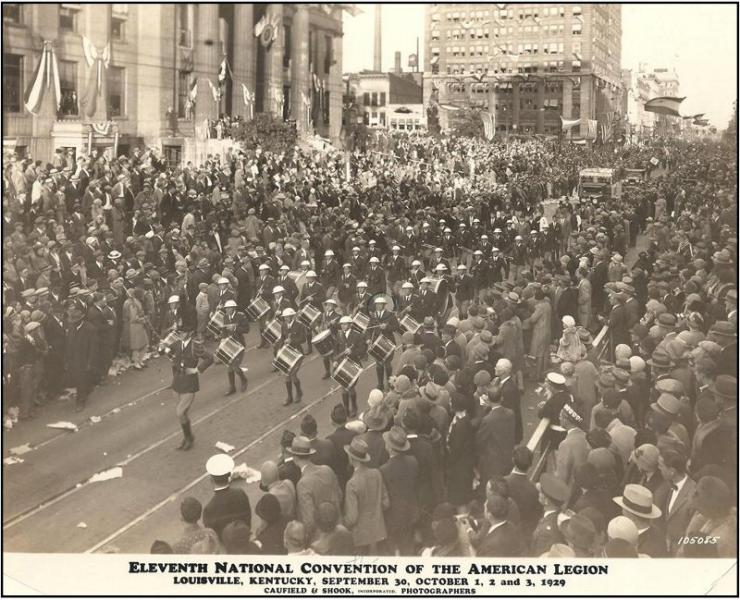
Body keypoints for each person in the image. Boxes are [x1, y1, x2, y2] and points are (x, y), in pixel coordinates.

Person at [167, 322, 212, 450]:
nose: (181, 334)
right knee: (183, 414)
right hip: (177, 383)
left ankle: (189, 437)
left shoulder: (195, 347)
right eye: (180, 332)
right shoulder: (176, 344)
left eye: (184, 332)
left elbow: (210, 358)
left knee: (180, 412)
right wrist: (162, 348)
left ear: (190, 333)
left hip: (189, 384)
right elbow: (166, 352)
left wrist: (197, 370)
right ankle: (188, 437)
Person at [290, 435, 342, 540]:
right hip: (338, 527)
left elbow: (309, 520)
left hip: (321, 537)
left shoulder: (303, 484)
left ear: (295, 458)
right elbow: (339, 495)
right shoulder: (327, 469)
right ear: (309, 455)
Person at [343, 438, 390, 554]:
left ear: (351, 458)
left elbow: (352, 517)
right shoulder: (377, 473)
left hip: (361, 537)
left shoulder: (352, 483)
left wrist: (343, 523)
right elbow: (386, 503)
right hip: (379, 532)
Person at [202, 454, 252, 543]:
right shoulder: (240, 493)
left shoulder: (209, 509)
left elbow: (212, 538)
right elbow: (247, 518)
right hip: (244, 539)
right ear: (229, 475)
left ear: (211, 479)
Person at [219, 299, 249, 395]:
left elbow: (247, 329)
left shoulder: (241, 316)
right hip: (229, 344)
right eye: (226, 308)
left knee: (235, 366)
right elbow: (224, 330)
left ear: (234, 308)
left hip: (239, 344)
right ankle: (232, 387)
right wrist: (223, 339)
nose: (228, 310)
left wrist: (235, 328)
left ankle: (244, 380)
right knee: (229, 366)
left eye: (230, 308)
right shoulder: (225, 317)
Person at [277, 307, 306, 406]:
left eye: (287, 317)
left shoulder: (300, 325)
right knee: (287, 376)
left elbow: (303, 339)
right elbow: (282, 337)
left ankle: (298, 392)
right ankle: (289, 396)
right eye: (285, 317)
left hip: (297, 353)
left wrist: (292, 341)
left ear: (292, 316)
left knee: (292, 375)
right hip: (287, 353)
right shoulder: (283, 326)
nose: (286, 319)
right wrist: (280, 348)